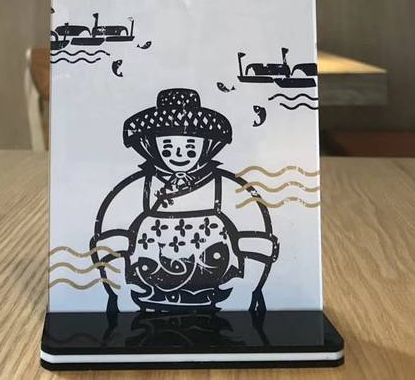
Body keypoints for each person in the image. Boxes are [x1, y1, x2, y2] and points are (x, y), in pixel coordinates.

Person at [92, 88, 278, 312]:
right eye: (168, 147)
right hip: (146, 299)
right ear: (152, 146)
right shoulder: (136, 188)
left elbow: (257, 244)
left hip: (220, 298)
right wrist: (120, 291)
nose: (179, 154)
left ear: (206, 145)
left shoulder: (229, 188)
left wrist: (246, 290)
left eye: (190, 147)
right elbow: (109, 244)